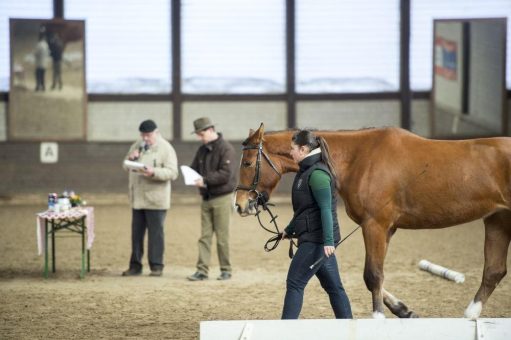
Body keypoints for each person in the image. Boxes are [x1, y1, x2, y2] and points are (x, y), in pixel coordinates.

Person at [281, 129, 352, 319]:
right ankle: (348, 327)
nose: (290, 152)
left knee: (295, 283)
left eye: (292, 149)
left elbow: (326, 210)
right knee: (334, 287)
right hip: (314, 238)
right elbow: (305, 208)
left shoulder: (318, 174)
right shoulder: (305, 171)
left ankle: (284, 331)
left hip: (317, 241)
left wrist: (328, 241)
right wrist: (289, 230)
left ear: (303, 149)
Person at [122, 119, 179, 277]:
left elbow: (173, 172)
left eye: (148, 135)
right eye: (142, 135)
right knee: (136, 234)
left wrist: (153, 172)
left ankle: (156, 266)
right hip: (137, 198)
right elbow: (125, 165)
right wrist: (131, 159)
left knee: (156, 234)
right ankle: (135, 266)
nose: (145, 138)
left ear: (156, 132)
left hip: (156, 200)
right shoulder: (137, 145)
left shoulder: (166, 149)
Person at [187, 117, 236, 281]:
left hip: (222, 197)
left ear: (210, 130)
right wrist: (192, 176)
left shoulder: (226, 148)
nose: (200, 138)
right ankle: (202, 270)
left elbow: (226, 174)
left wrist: (205, 180)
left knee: (222, 237)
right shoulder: (202, 150)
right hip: (206, 198)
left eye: (201, 134)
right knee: (204, 237)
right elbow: (194, 168)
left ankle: (226, 269)